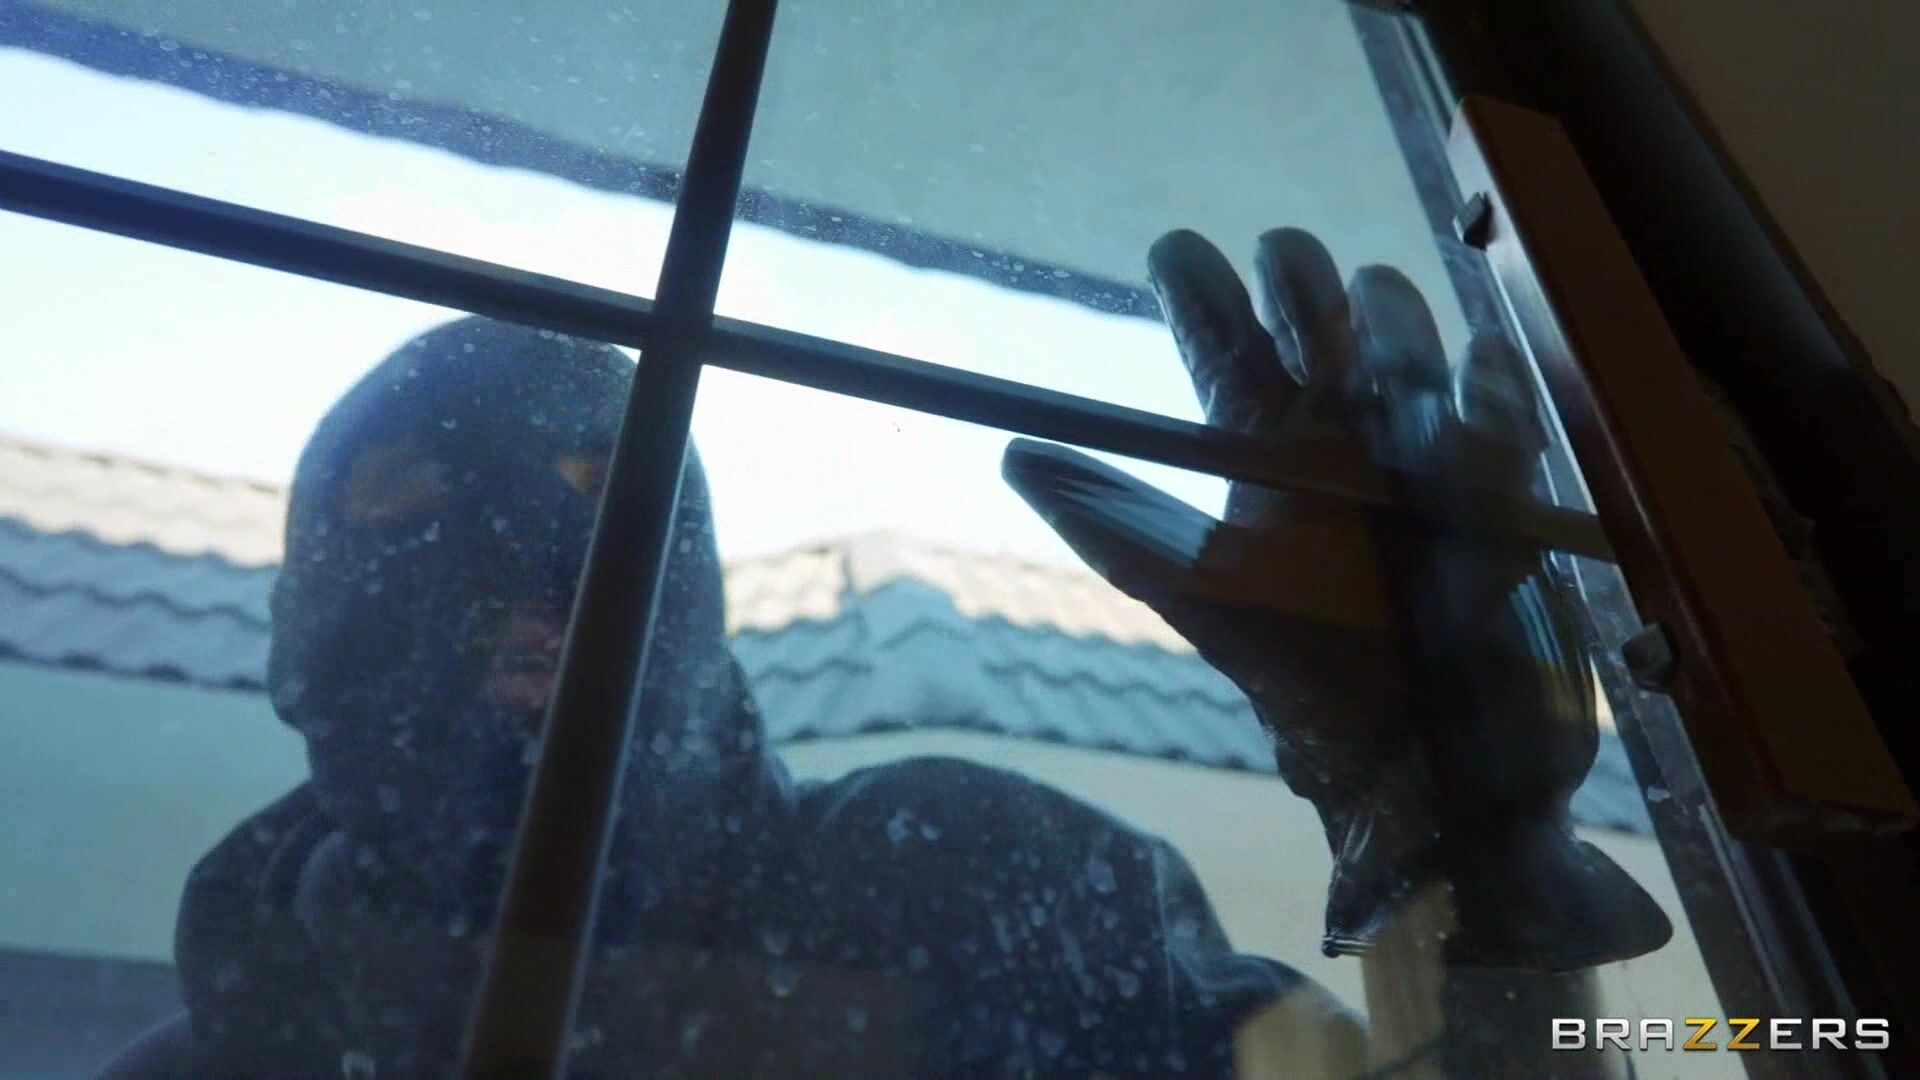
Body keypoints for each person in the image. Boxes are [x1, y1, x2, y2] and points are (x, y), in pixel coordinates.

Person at [100, 226, 1662, 1079]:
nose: (531, 570)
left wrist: (1443, 839)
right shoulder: (212, 1069)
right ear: (305, 631)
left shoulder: (983, 892)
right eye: (413, 501)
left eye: (597, 494)